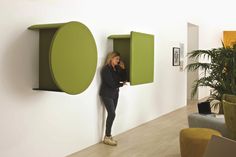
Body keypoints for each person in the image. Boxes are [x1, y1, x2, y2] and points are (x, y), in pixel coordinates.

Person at [99, 52, 127, 146]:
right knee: (112, 114)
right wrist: (121, 84)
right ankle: (107, 137)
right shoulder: (105, 69)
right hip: (106, 94)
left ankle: (108, 136)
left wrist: (123, 69)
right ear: (111, 58)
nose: (118, 61)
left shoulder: (116, 68)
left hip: (115, 93)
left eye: (118, 59)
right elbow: (111, 83)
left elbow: (124, 78)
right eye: (116, 59)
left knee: (112, 115)